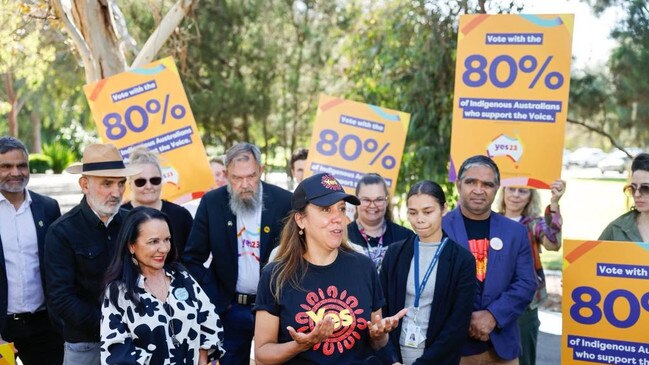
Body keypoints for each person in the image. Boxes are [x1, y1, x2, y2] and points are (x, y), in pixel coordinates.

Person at [253, 172, 407, 364]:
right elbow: (262, 353)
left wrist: (378, 336)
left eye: (341, 209)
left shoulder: (364, 267)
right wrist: (302, 344)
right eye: (326, 210)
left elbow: (378, 344)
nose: (338, 218)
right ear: (301, 220)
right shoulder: (276, 275)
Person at [183, 142, 292, 365]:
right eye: (236, 178)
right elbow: (192, 258)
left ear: (261, 171)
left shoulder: (284, 201)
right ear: (226, 175)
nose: (245, 185)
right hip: (230, 308)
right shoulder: (212, 203)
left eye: (251, 176)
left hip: (275, 309)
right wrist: (213, 293)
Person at [45, 143, 141, 364]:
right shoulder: (62, 231)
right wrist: (113, 324)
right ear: (84, 184)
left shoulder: (133, 223)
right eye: (106, 183)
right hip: (86, 345)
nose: (116, 192)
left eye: (120, 183)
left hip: (137, 338)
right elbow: (61, 297)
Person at [441, 155, 536, 364]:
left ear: (496, 189)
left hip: (501, 349)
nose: (478, 189)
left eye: (487, 184)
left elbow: (527, 282)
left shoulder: (516, 232)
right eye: (471, 182)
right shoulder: (439, 228)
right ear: (458, 185)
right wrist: (468, 319)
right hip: (452, 349)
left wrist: (493, 315)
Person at [101, 207, 224, 364]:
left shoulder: (182, 277)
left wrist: (202, 358)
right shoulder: (118, 292)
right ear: (131, 245)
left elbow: (210, 322)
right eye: (154, 241)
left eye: (167, 239)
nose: (164, 248)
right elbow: (116, 353)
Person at [380, 180, 476, 365]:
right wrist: (391, 359)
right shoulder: (394, 253)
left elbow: (457, 325)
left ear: (444, 209)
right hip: (394, 358)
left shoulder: (462, 261)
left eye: (428, 212)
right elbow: (381, 310)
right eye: (413, 212)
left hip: (438, 359)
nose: (419, 219)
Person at [0, 136, 63, 364]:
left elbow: (58, 265)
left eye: (21, 165)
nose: (15, 172)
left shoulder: (48, 208)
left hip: (44, 325)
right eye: (6, 166)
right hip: (2, 327)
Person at [495, 180, 566, 365]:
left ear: (530, 197)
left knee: (523, 355)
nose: (516, 195)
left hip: (524, 302)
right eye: (511, 189)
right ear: (503, 191)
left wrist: (555, 203)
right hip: (492, 298)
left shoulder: (533, 224)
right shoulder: (491, 220)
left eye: (523, 191)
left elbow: (553, 243)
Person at [122, 147, 194, 255]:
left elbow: (192, 256)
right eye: (141, 182)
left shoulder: (181, 215)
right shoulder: (119, 217)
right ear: (130, 184)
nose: (149, 186)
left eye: (155, 180)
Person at [348, 173, 414, 271]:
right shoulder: (343, 237)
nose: (372, 205)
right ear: (357, 200)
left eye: (379, 199)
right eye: (366, 200)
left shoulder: (405, 237)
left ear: (386, 201)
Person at [600, 152, 649, 242]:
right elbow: (591, 255)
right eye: (633, 188)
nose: (637, 194)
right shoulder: (616, 229)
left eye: (645, 188)